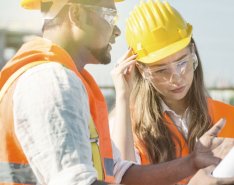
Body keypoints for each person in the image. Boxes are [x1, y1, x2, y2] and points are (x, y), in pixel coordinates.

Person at [0, 0, 234, 185]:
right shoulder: (52, 82)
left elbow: (121, 175)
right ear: (77, 15)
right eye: (110, 16)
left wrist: (191, 163)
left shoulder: (72, 82)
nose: (117, 31)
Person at [110, 0, 234, 184]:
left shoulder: (227, 115)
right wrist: (122, 95)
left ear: (193, 53)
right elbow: (123, 178)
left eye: (182, 62)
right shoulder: (126, 125)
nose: (176, 77)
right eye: (161, 70)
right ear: (141, 70)